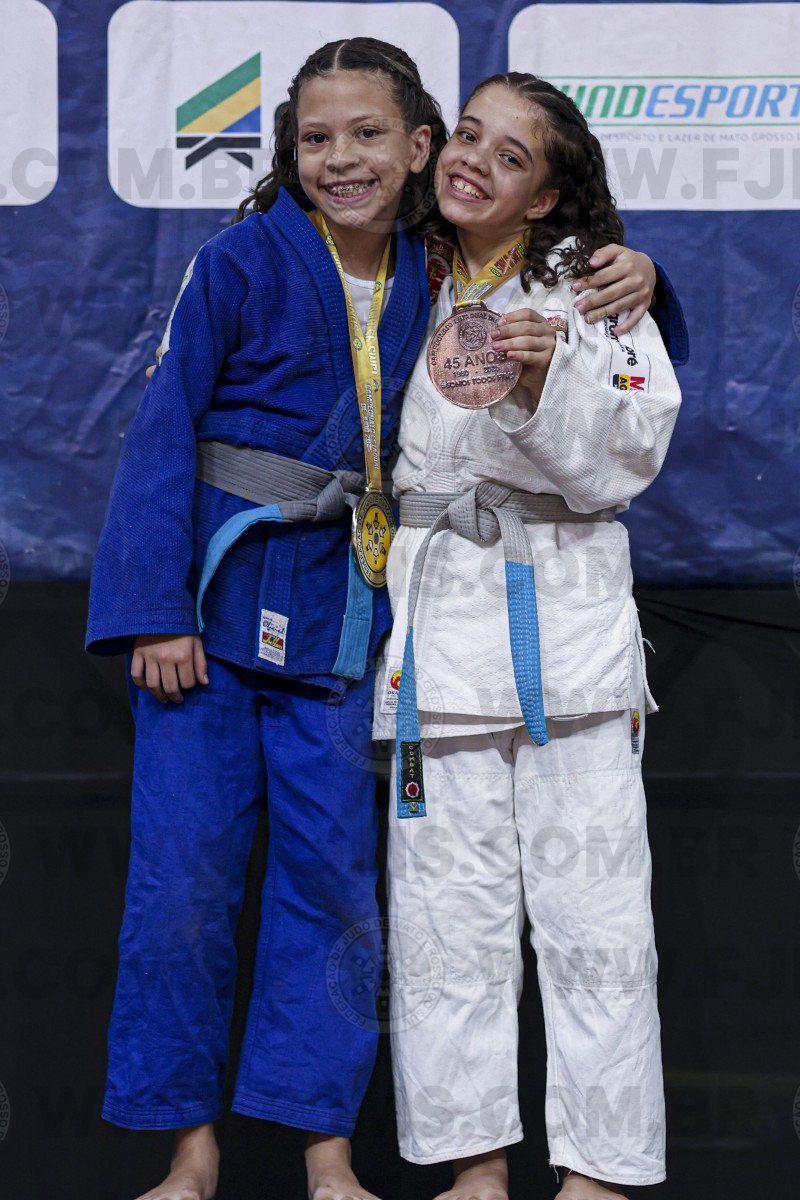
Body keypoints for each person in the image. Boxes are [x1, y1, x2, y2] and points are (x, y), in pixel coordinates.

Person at [88, 34, 674, 1200]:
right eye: (316, 137)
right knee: (260, 903)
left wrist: (643, 279)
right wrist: (153, 608)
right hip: (304, 620)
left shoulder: (510, 275)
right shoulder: (313, 260)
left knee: (417, 906)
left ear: (420, 151)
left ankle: (438, 1162)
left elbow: (612, 386)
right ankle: (274, 1158)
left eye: (369, 135)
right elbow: (164, 430)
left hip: (436, 627)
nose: (344, 157)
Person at [374, 74, 683, 1200]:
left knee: (596, 921)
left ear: (546, 197)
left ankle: (598, 1173)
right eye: (466, 135)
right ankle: (475, 1168)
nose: (473, 160)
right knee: (443, 922)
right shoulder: (395, 276)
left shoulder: (595, 291)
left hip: (571, 639)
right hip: (440, 639)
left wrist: (552, 384)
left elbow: (631, 457)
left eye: (509, 157)